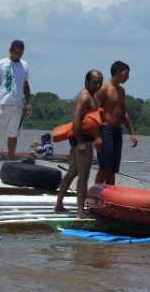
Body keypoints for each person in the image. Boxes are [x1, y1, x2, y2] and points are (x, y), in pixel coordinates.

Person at [54, 70, 104, 218]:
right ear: (87, 81)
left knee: (73, 172)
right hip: (83, 140)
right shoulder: (84, 96)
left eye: (100, 81)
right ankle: (80, 211)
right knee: (84, 175)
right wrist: (81, 143)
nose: (98, 84)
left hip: (84, 138)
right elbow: (76, 119)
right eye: (95, 81)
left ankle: (58, 205)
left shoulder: (92, 97)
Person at [94, 61, 138, 184]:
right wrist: (97, 136)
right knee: (105, 167)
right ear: (118, 72)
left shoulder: (122, 91)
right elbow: (94, 112)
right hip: (105, 130)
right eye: (126, 74)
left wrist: (132, 133)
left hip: (117, 131)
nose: (128, 77)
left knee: (113, 169)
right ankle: (93, 196)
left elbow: (124, 113)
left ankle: (108, 198)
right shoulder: (104, 89)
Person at [0, 39, 32, 161]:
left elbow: (26, 85)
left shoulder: (24, 65)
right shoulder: (2, 63)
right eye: (16, 52)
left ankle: (11, 160)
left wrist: (29, 103)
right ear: (10, 51)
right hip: (3, 103)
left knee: (13, 135)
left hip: (17, 104)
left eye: (20, 53)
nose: (18, 55)